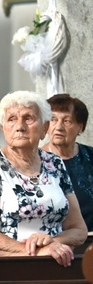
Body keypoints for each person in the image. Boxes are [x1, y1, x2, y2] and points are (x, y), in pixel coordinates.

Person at [0, 91, 87, 266]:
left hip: (57, 261)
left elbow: (79, 229)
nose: (20, 126)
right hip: (8, 267)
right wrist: (36, 252)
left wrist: (53, 242)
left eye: (28, 118)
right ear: (3, 128)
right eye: (11, 119)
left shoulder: (54, 163)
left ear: (44, 128)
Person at [42, 94, 93, 231]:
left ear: (80, 127)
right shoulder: (36, 160)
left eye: (67, 121)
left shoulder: (90, 156)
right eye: (53, 120)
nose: (58, 127)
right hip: (54, 242)